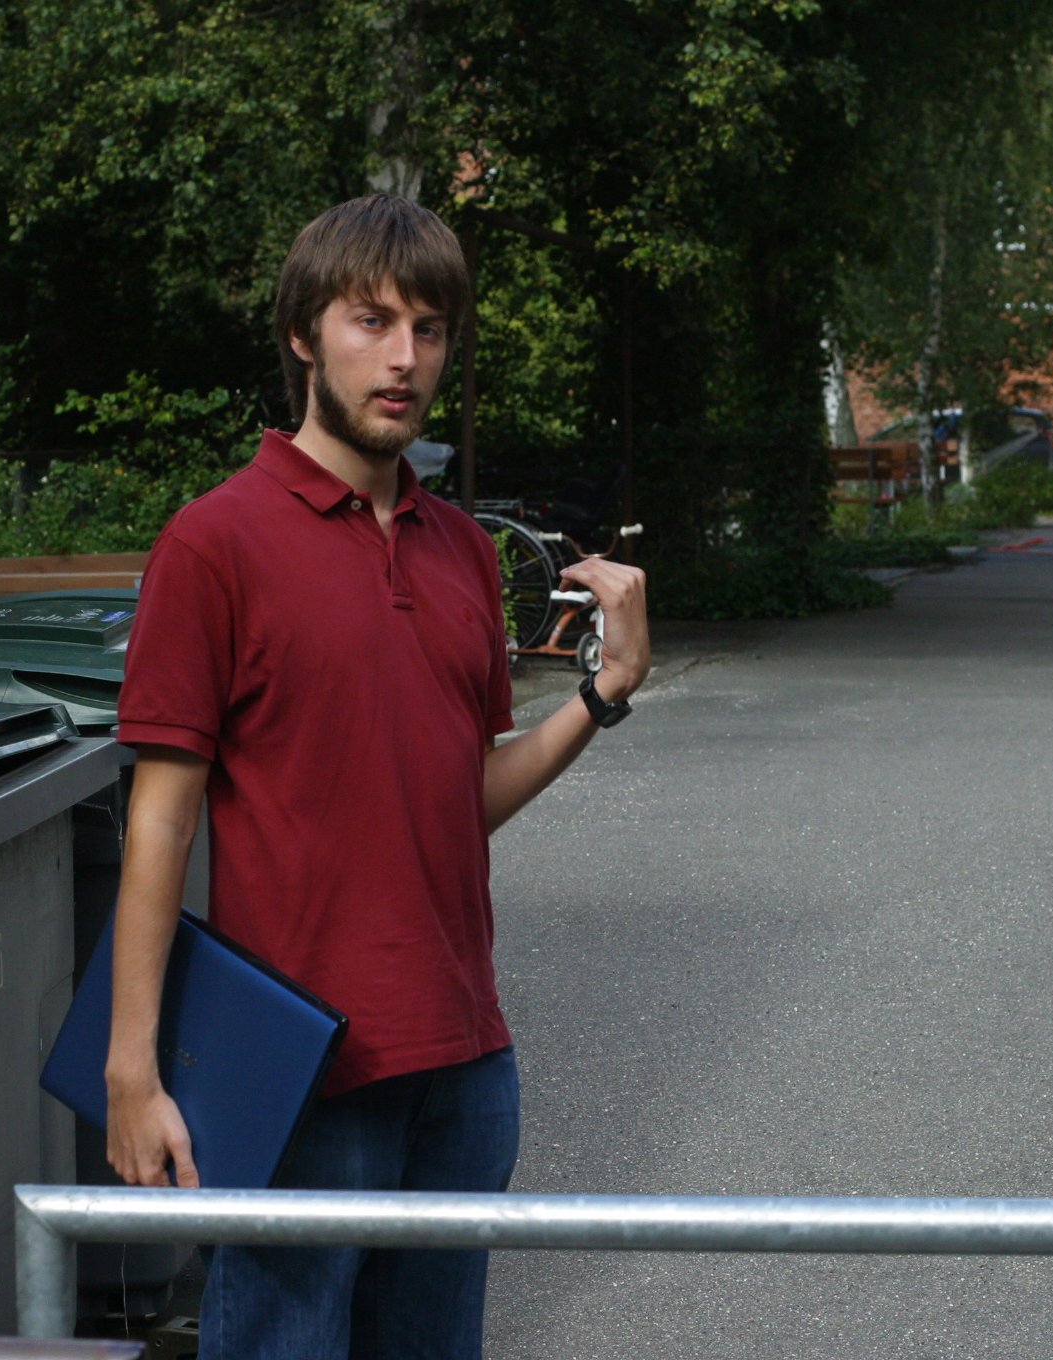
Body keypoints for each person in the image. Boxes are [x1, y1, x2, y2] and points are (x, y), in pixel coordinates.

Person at [103, 195, 651, 1359]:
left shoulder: (462, 549)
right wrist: (132, 1067)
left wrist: (603, 695)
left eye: (431, 328)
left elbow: (463, 801)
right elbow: (159, 822)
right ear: (304, 333)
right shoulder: (215, 542)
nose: (404, 358)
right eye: (371, 321)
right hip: (304, 1064)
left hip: (466, 1056)